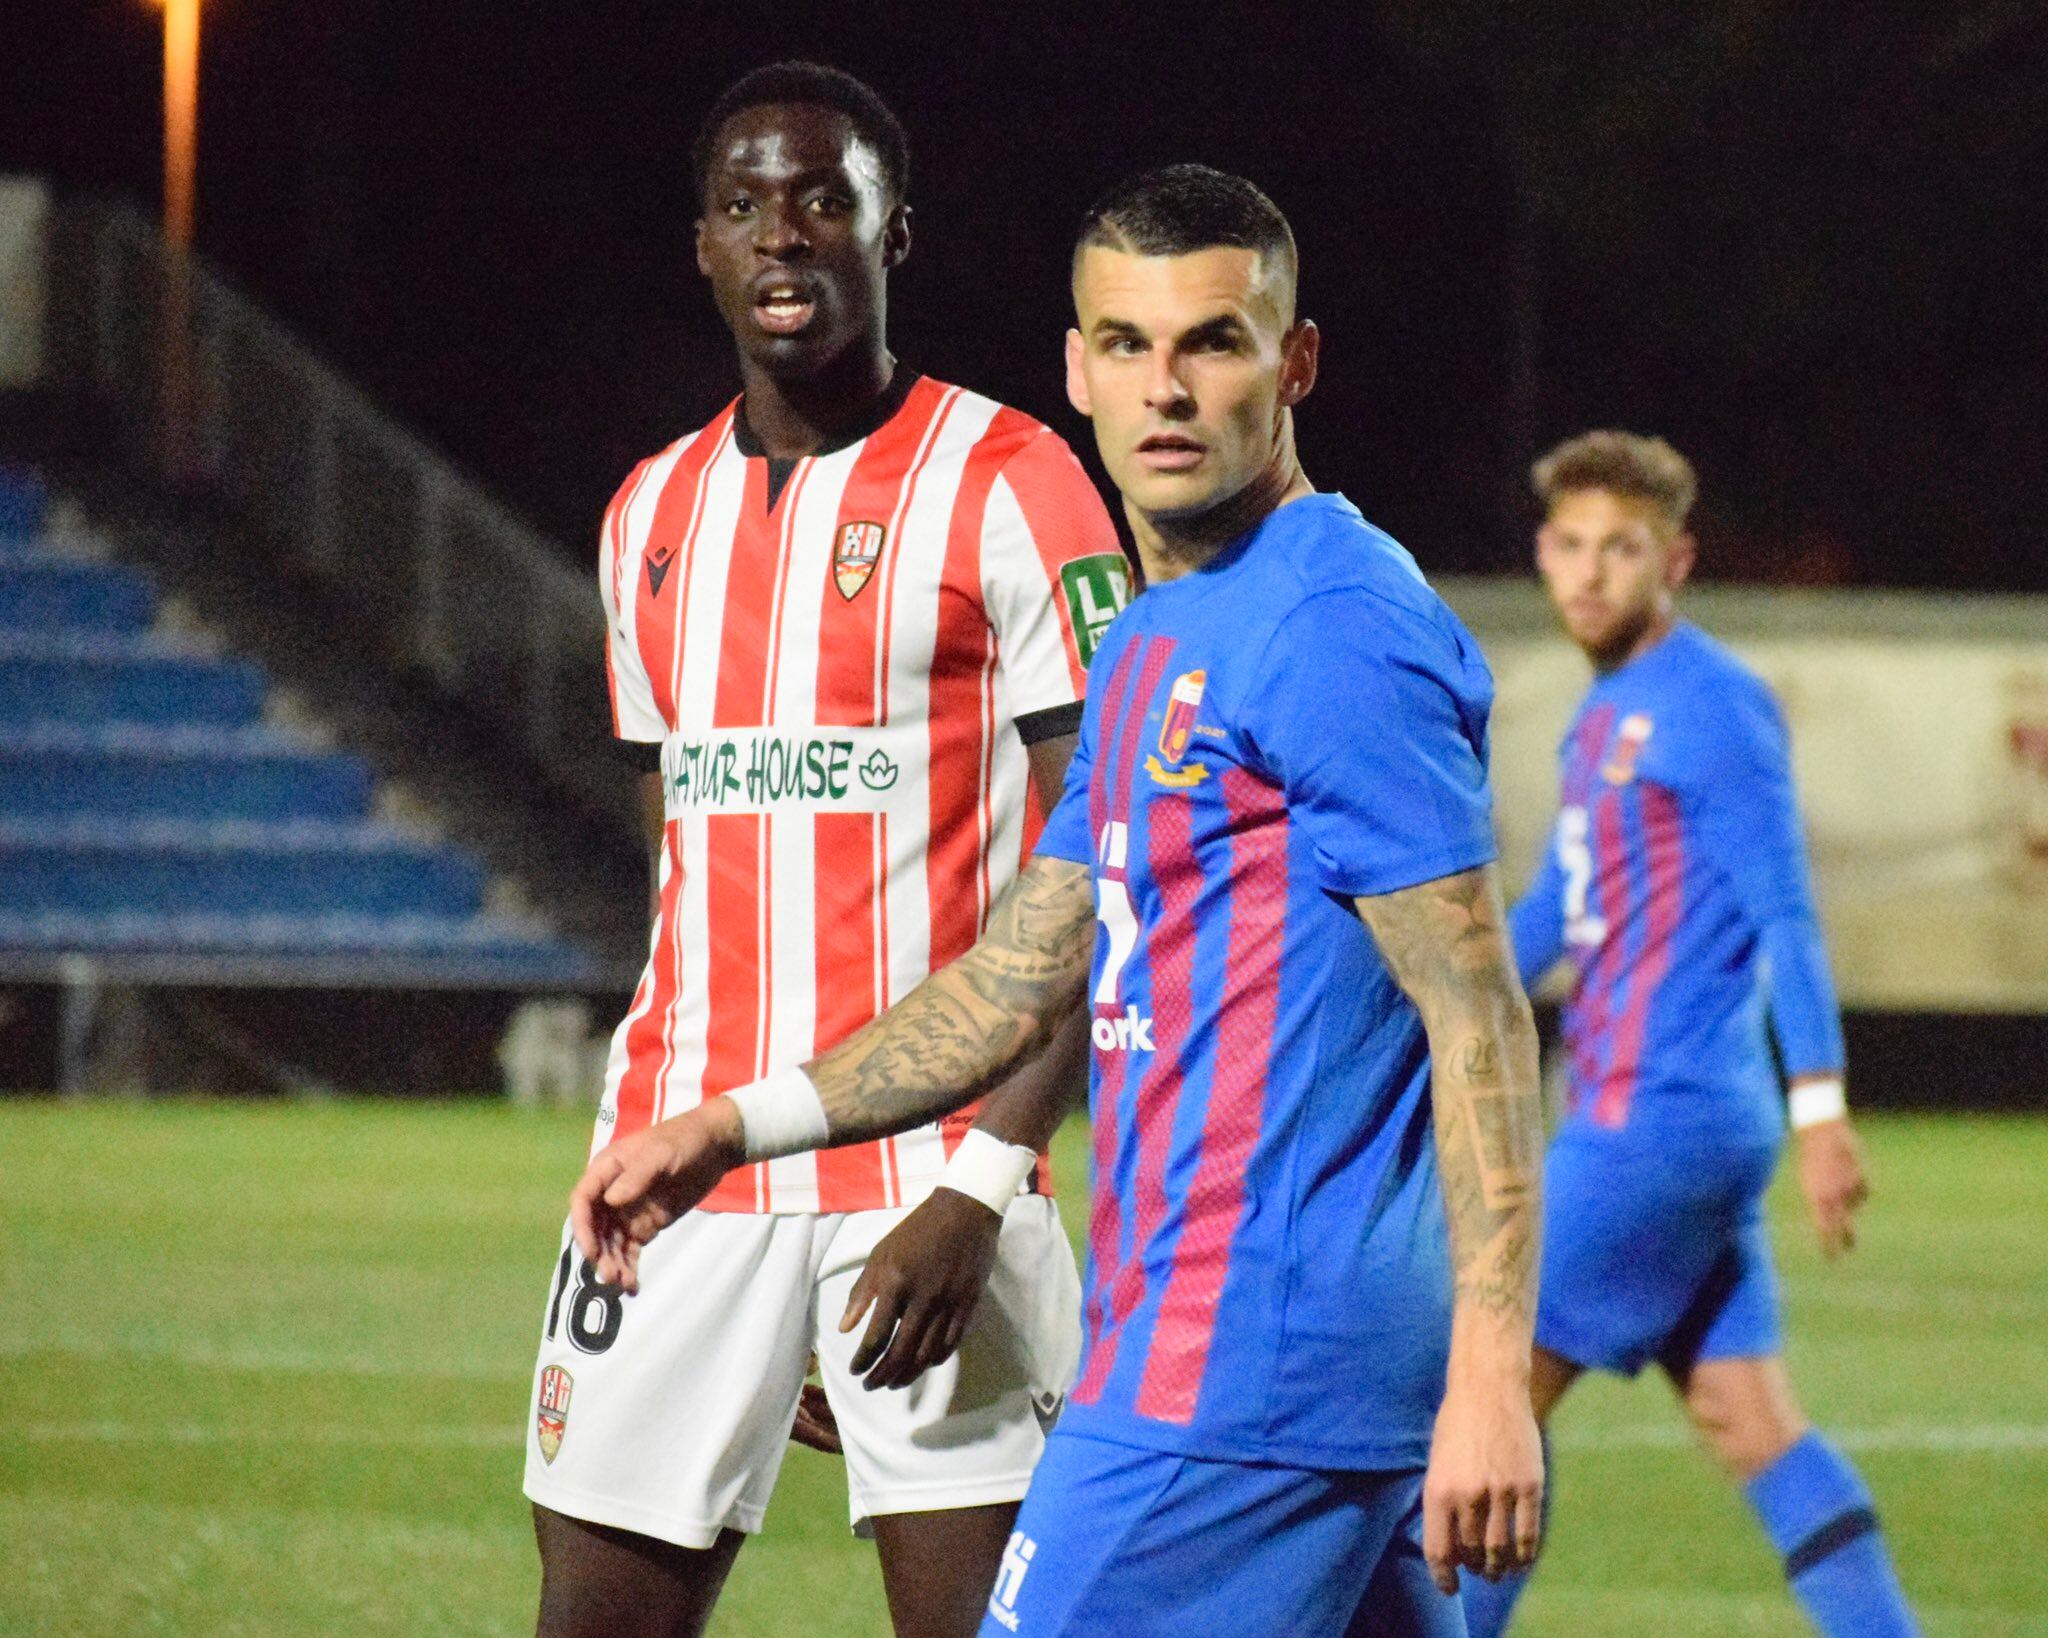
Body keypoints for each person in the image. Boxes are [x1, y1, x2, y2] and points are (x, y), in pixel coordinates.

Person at [571, 164, 1547, 1637]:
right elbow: (1020, 972)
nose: (1168, 387)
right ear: (1078, 367)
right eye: (1130, 344)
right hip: (1237, 1351)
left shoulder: (1335, 626)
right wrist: (731, 1124)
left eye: (1213, 342)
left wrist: (1493, 1374)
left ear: (1295, 363)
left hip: (1244, 1368)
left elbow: (1476, 1008)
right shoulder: (1159, 633)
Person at [524, 62, 1132, 1638]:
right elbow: (686, 861)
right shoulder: (646, 516)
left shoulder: (1018, 482)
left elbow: (1107, 861)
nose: (780, 234)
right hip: (679, 1175)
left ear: (893, 231)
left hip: (935, 1175)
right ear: (704, 250)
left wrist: (989, 1175)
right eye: (743, 205)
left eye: (820, 199)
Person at [1460, 432, 1918, 1636]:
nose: (1589, 573)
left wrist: (1824, 1111)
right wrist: (1430, 995)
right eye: (1568, 546)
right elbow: (1560, 909)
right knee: (1751, 1425)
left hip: (1651, 1124)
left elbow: (1786, 913)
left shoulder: (1712, 706)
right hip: (1674, 1131)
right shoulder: (1607, 711)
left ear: (1676, 561)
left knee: (1489, 1406)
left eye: (1621, 549)